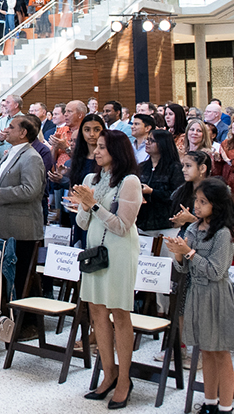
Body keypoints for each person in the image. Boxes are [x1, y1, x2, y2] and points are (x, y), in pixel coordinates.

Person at [70, 130, 142, 408]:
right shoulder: (91, 179)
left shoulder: (130, 181)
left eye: (102, 147)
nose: (96, 151)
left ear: (117, 150)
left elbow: (122, 227)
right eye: (95, 147)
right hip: (94, 252)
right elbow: (83, 224)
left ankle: (125, 378)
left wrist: (93, 204)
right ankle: (108, 372)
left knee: (119, 313)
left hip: (120, 252)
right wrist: (86, 206)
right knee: (97, 310)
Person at [165, 178, 234, 414]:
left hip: (218, 296)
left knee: (220, 353)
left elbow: (216, 271)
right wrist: (178, 255)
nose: (197, 206)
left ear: (217, 204)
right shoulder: (193, 228)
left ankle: (226, 407)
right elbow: (183, 270)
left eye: (203, 202)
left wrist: (189, 253)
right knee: (205, 351)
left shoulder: (222, 233)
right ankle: (210, 402)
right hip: (198, 294)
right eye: (196, 201)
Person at [0, 115, 45, 333]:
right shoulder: (11, 153)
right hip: (7, 224)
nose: (6, 130)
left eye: (11, 127)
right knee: (9, 273)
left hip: (24, 227)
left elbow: (31, 190)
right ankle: (7, 313)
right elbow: (0, 177)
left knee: (22, 276)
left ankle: (28, 323)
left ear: (23, 133)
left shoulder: (31, 157)